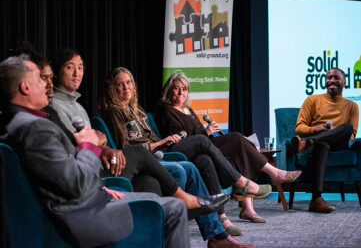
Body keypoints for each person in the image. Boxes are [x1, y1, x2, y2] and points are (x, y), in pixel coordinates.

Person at [47, 49, 256, 247]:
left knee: (201, 162)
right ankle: (238, 187)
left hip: (148, 155)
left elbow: (96, 141)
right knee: (190, 159)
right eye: (69, 67)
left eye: (81, 67)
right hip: (129, 161)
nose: (126, 88)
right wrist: (160, 142)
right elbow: (113, 145)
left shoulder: (127, 111)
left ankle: (217, 231)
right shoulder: (105, 111)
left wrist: (99, 142)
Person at [0, 55, 190, 248]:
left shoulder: (17, 123)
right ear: (25, 87)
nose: (46, 84)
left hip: (79, 201)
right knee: (175, 207)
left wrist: (100, 188)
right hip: (77, 218)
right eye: (40, 79)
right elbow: (77, 184)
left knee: (154, 196)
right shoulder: (34, 128)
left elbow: (53, 175)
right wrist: (88, 146)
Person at [97, 67, 273, 237]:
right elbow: (126, 149)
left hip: (159, 151)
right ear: (113, 88)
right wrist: (163, 141)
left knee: (204, 160)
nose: (126, 87)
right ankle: (240, 182)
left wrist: (163, 142)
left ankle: (219, 226)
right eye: (120, 84)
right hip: (154, 154)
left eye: (128, 83)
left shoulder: (138, 110)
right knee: (207, 143)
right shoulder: (115, 112)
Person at [155, 72, 302, 223]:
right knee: (236, 138)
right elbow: (181, 137)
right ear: (169, 90)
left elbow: (200, 135)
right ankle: (272, 174)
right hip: (191, 148)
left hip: (205, 144)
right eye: (176, 88)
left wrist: (208, 131)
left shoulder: (188, 110)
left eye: (184, 89)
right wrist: (206, 132)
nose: (181, 93)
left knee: (238, 154)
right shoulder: (167, 110)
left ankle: (247, 208)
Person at [289, 67, 359, 213]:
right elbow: (299, 128)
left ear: (344, 82)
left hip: (339, 144)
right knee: (322, 145)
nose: (332, 81)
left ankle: (308, 141)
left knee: (346, 127)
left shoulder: (352, 106)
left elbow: (351, 134)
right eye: (329, 78)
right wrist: (316, 129)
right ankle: (316, 200)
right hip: (319, 145)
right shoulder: (312, 100)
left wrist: (334, 132)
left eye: (336, 78)